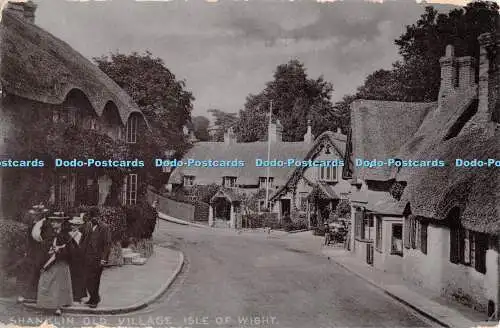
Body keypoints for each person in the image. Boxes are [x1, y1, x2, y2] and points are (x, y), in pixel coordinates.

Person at [36, 212, 75, 315]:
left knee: (59, 285)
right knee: (46, 281)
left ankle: (58, 307)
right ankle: (47, 305)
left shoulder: (66, 236)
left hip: (61, 263)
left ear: (61, 223)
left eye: (56, 221)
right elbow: (45, 247)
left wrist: (60, 251)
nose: (53, 223)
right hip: (50, 262)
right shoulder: (50, 234)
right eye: (52, 221)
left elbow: (72, 252)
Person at [80, 208, 111, 308]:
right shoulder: (87, 225)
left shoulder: (105, 227)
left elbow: (107, 244)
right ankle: (94, 297)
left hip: (98, 258)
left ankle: (94, 300)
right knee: (86, 279)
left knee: (95, 280)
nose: (94, 219)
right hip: (86, 257)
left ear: (99, 217)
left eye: (96, 217)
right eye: (92, 217)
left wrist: (104, 259)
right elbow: (82, 239)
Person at [67, 215, 86, 303]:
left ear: (79, 226)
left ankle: (78, 296)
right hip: (70, 258)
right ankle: (71, 295)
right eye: (72, 224)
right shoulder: (68, 235)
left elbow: (83, 247)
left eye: (75, 225)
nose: (73, 226)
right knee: (70, 276)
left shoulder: (81, 235)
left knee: (78, 277)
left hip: (79, 259)